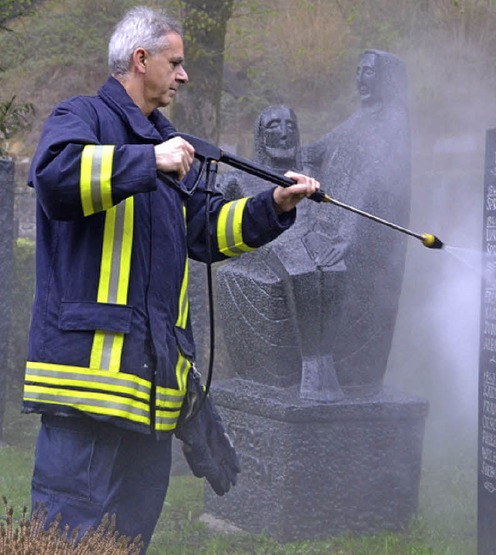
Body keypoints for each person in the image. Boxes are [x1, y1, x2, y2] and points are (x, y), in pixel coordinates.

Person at [22, 6, 319, 550]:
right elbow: (53, 176)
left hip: (152, 398)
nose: (184, 75)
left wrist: (275, 204)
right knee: (62, 542)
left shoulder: (165, 147)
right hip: (88, 394)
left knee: (126, 542)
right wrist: (147, 159)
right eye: (175, 63)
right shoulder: (84, 115)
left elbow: (206, 233)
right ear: (141, 60)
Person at [216, 105, 347, 401]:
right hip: (268, 243)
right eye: (274, 126)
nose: (284, 133)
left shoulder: (309, 175)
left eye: (290, 125)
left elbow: (323, 217)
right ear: (261, 135)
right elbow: (215, 213)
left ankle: (325, 360)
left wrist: (334, 240)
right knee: (299, 266)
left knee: (334, 268)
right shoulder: (242, 178)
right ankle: (314, 364)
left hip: (305, 236)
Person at [304, 49, 412, 391]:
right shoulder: (362, 117)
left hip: (366, 244)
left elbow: (374, 179)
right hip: (332, 229)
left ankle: (349, 384)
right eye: (358, 71)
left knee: (356, 326)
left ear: (386, 78)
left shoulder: (393, 119)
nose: (361, 78)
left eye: (369, 72)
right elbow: (315, 151)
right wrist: (305, 179)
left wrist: (349, 233)